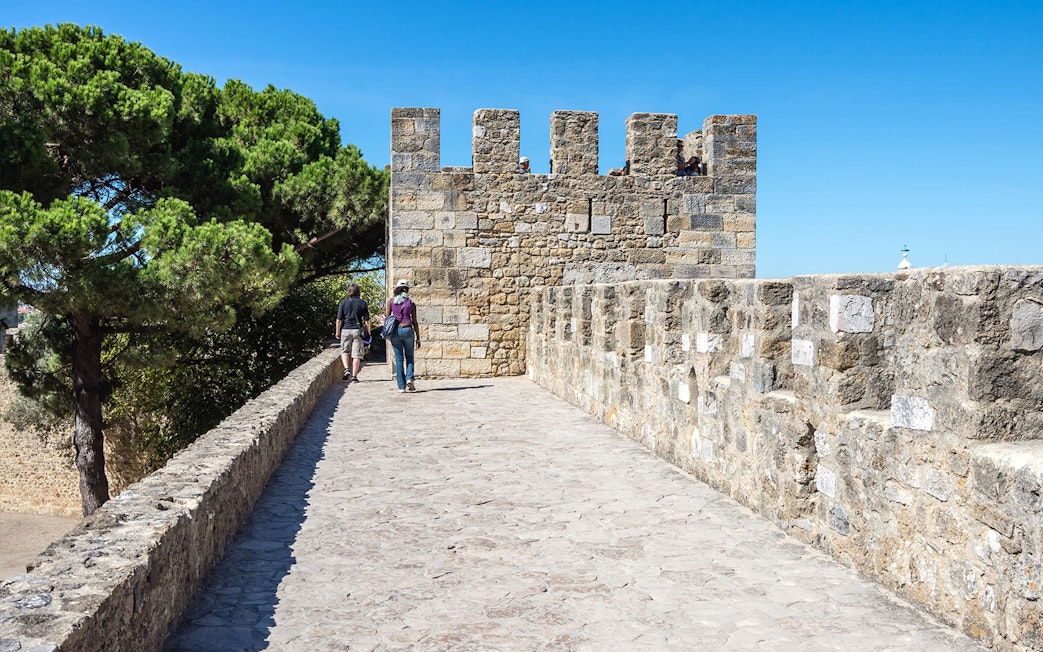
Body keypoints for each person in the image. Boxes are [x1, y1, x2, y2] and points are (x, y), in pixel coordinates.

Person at [386, 279, 421, 393]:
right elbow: (415, 321)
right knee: (409, 356)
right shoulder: (411, 303)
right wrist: (418, 338)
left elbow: (387, 318)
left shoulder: (391, 302)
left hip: (395, 331)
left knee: (399, 359)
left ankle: (401, 387)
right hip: (407, 330)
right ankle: (409, 378)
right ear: (407, 289)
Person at [335, 283, 371, 382]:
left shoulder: (343, 303)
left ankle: (346, 369)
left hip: (346, 329)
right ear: (358, 292)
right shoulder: (362, 303)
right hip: (357, 330)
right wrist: (368, 332)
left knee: (344, 351)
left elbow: (339, 320)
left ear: (349, 292)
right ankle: (354, 376)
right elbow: (367, 320)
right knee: (357, 354)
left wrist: (337, 331)